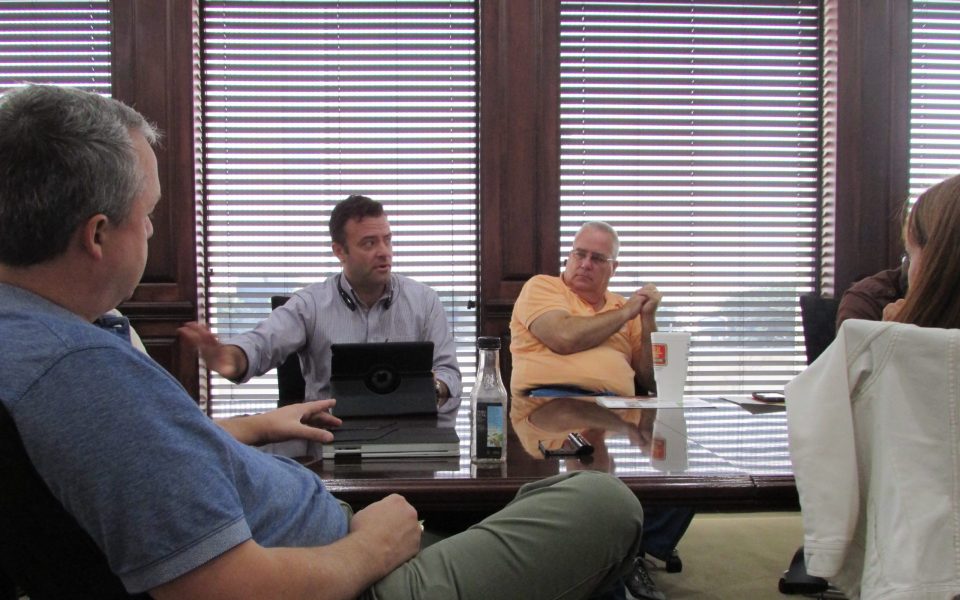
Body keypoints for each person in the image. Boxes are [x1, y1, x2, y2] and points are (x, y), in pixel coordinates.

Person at [0, 84, 646, 598]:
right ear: (97, 234)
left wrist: (262, 424)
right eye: (148, 215)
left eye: (389, 239)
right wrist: (371, 546)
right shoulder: (80, 369)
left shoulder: (50, 337)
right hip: (348, 574)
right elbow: (222, 586)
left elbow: (153, 453)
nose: (150, 232)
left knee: (541, 500)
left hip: (357, 510)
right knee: (604, 501)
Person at [509, 222, 693, 600]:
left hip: (618, 409)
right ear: (569, 256)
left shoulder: (623, 307)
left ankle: (631, 549)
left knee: (685, 471)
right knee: (590, 483)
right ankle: (616, 559)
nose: (585, 264)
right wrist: (628, 312)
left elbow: (649, 379)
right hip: (547, 406)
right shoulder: (543, 288)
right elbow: (563, 337)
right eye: (579, 254)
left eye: (597, 258)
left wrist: (646, 318)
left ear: (614, 268)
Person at [179, 194, 462, 411]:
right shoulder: (311, 305)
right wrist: (231, 359)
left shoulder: (425, 301)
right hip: (329, 436)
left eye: (387, 240)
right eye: (369, 243)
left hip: (407, 434)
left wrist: (431, 389)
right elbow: (262, 343)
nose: (384, 252)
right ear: (340, 251)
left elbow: (449, 374)